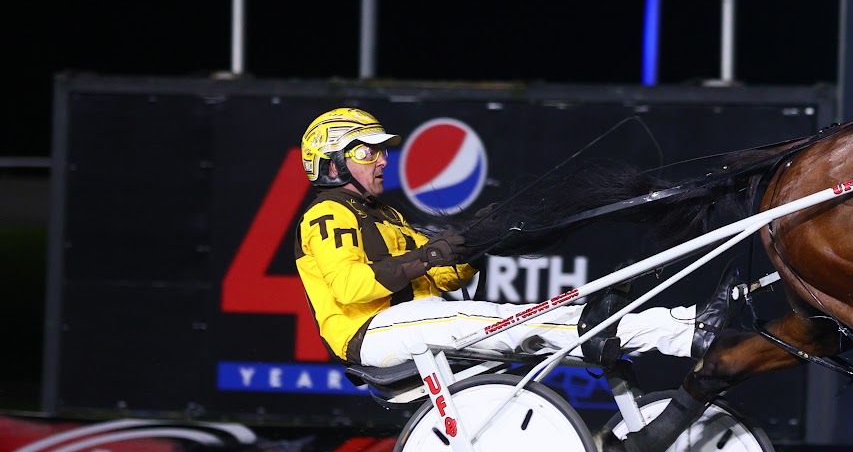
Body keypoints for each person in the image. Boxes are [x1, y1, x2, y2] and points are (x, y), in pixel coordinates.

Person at [292, 106, 695, 369]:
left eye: (381, 152)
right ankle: (650, 332)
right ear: (330, 166)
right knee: (503, 321)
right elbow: (349, 288)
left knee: (529, 330)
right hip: (368, 334)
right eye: (366, 153)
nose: (382, 160)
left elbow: (441, 281)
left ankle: (685, 329)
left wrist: (476, 244)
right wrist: (431, 253)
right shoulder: (327, 214)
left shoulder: (387, 215)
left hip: (408, 322)